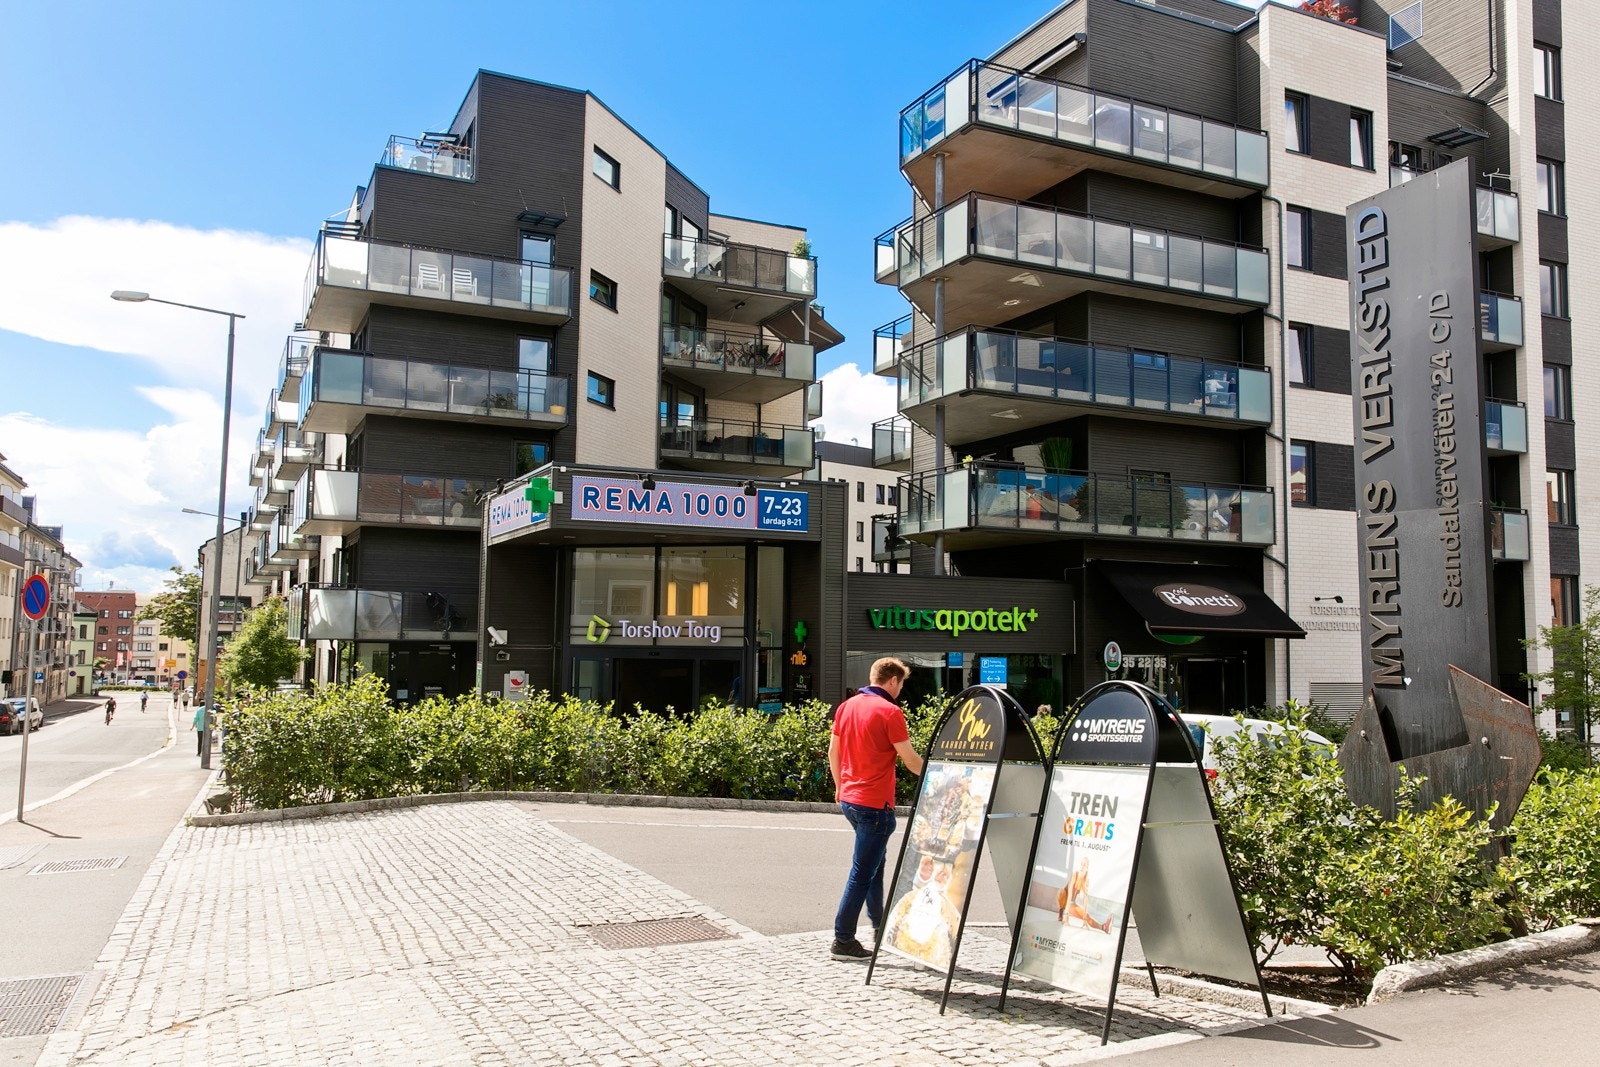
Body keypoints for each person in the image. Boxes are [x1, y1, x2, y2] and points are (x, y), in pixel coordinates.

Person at [827, 657, 923, 961]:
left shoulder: (848, 706)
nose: (901, 690)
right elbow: (910, 761)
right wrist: (941, 773)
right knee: (862, 872)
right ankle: (843, 940)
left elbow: (834, 750)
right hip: (875, 804)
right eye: (902, 684)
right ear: (892, 681)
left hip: (851, 801)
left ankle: (880, 924)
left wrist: (840, 787)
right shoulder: (891, 712)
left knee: (874, 863)